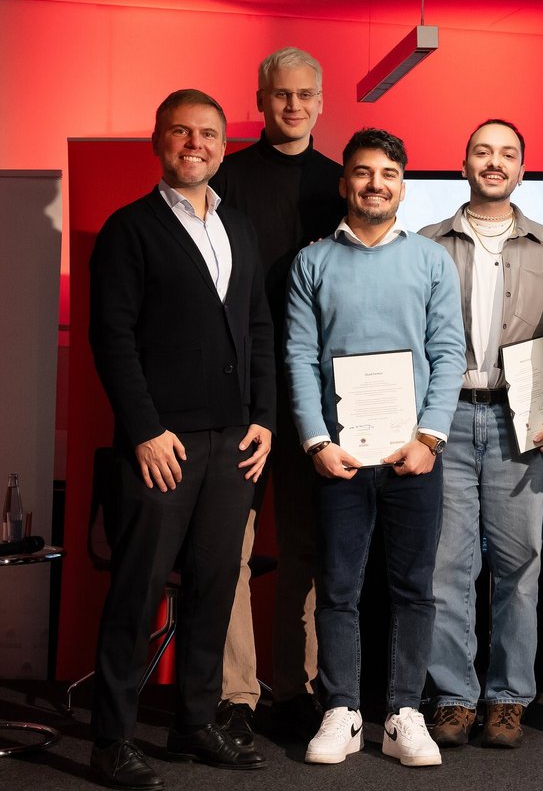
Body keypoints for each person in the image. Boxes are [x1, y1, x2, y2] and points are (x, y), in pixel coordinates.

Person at [88, 89, 273, 790]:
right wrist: (144, 431)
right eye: (180, 132)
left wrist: (264, 418)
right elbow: (112, 340)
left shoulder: (240, 227)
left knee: (213, 589)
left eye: (208, 134)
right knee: (136, 595)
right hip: (162, 447)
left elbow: (258, 326)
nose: (194, 143)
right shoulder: (129, 229)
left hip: (234, 443)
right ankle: (111, 740)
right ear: (158, 142)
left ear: (224, 145)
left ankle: (193, 724)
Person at [286, 128, 466, 767]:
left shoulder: (429, 261)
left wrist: (431, 437)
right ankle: (342, 710)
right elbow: (300, 358)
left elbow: (448, 354)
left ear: (402, 185)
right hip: (339, 458)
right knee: (338, 588)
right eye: (363, 172)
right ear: (345, 183)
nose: (374, 184)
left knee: (414, 588)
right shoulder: (313, 261)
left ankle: (403, 712)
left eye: (387, 173)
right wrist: (314, 442)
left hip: (412, 455)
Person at [209, 45, 344, 746]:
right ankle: (236, 693)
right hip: (240, 390)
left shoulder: (340, 182)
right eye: (280, 95)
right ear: (261, 102)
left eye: (303, 95)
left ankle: (298, 689)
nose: (292, 105)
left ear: (321, 102)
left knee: (307, 549)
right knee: (231, 547)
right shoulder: (225, 179)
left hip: (318, 395)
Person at [418, 119, 543, 749]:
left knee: (519, 566)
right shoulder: (427, 244)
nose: (495, 162)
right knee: (447, 566)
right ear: (465, 163)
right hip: (445, 419)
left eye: (508, 154)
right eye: (483, 151)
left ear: (522, 168)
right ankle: (454, 695)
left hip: (521, 418)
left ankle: (507, 699)